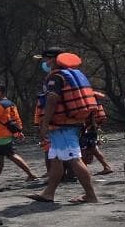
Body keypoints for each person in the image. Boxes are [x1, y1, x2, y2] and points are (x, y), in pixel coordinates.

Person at [27, 48, 99, 204]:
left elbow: (52, 100)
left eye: (45, 59)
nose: (44, 63)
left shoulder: (56, 77)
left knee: (74, 159)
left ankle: (90, 195)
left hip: (63, 126)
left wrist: (44, 124)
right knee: (56, 159)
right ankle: (48, 193)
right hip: (70, 123)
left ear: (53, 59)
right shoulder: (71, 75)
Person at [0, 84, 38, 186]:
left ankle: (31, 174)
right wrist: (19, 131)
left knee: (11, 155)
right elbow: (16, 119)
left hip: (3, 134)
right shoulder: (11, 104)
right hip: (7, 134)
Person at [80, 91, 114, 175]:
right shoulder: (92, 99)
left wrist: (92, 127)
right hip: (92, 127)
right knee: (93, 148)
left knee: (84, 148)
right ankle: (106, 167)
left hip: (88, 127)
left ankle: (84, 170)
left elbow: (91, 115)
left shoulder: (86, 100)